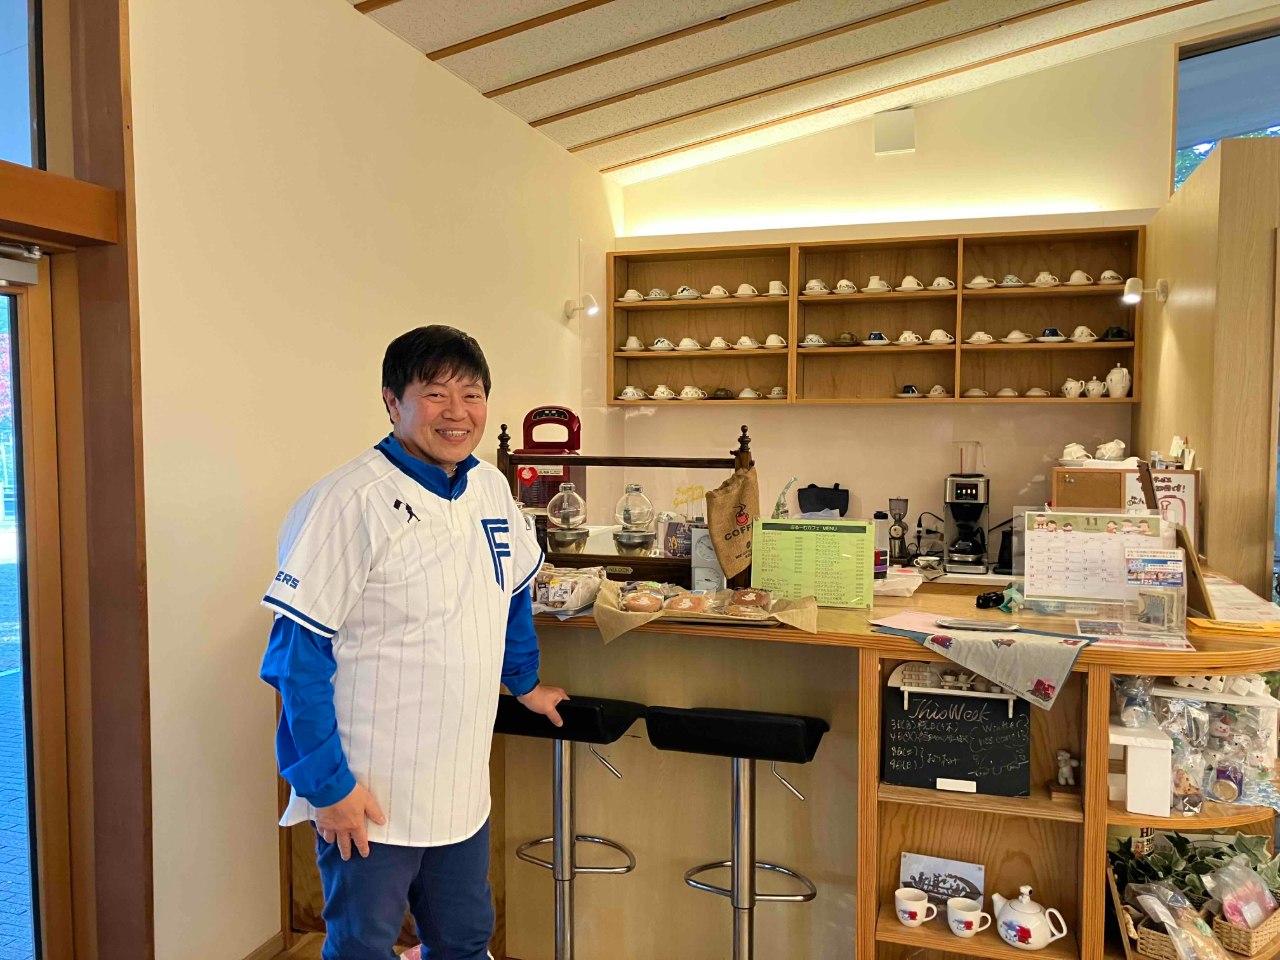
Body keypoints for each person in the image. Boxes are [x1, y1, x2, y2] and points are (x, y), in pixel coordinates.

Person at [260, 325, 568, 960]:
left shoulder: (489, 488)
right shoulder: (347, 501)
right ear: (391, 401)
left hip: (460, 787)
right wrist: (328, 787)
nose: (457, 412)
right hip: (368, 791)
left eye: (472, 394)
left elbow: (510, 593)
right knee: (363, 946)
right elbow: (295, 660)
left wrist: (526, 683)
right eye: (435, 393)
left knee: (464, 940)